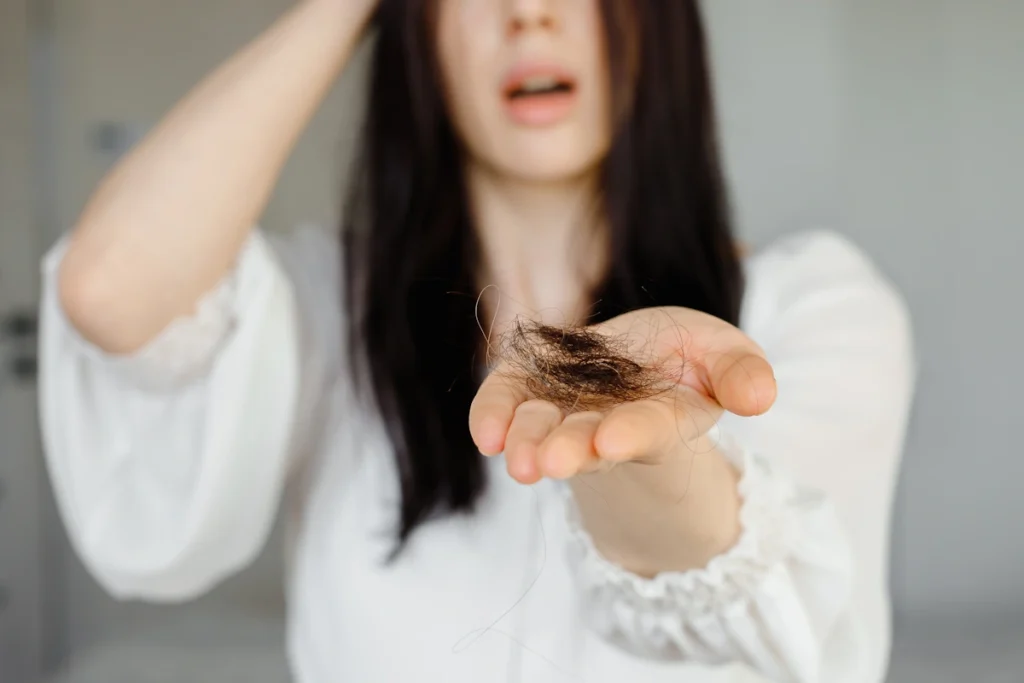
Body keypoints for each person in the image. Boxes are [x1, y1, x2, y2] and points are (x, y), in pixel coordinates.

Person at [37, 0, 916, 681]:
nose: (528, 12)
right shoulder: (323, 311)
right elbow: (108, 290)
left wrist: (630, 443)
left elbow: (769, 613)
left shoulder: (813, 306)